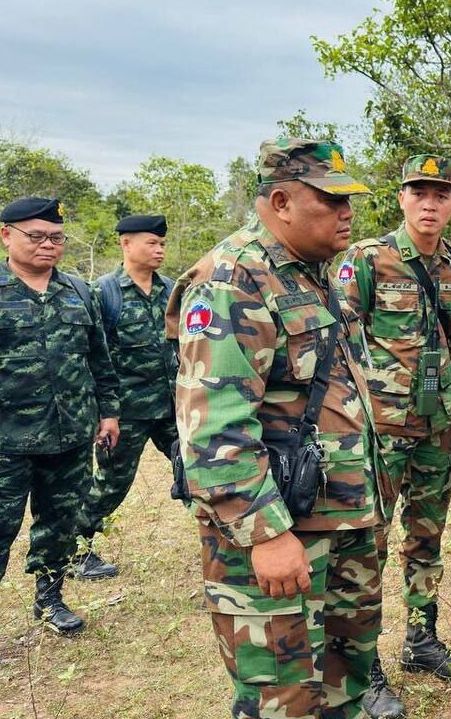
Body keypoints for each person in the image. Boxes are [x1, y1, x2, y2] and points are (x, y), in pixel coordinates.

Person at [168, 137, 399, 719]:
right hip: (280, 530)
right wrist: (266, 536)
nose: (347, 212)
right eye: (331, 200)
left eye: (349, 200)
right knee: (282, 697)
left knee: (346, 682)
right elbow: (213, 428)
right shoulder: (233, 279)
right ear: (281, 202)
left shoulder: (315, 273)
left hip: (342, 522)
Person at [339, 154, 451, 694]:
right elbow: (341, 340)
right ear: (401, 198)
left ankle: (422, 639)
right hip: (381, 426)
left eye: (441, 194)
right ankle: (363, 660)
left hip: (437, 421)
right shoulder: (368, 258)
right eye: (419, 192)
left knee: (426, 535)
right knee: (368, 543)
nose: (429, 204)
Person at [0, 196, 120, 640]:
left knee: (60, 523)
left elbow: (99, 358)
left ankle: (49, 599)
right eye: (36, 236)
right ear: (6, 235)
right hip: (5, 442)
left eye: (57, 237)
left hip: (70, 434)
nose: (48, 244)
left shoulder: (79, 292)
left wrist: (109, 413)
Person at [72, 214, 178, 580]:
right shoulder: (104, 293)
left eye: (162, 244)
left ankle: (223, 540)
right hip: (126, 412)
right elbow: (92, 355)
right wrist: (104, 412)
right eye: (152, 243)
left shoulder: (171, 289)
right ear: (126, 243)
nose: (159, 249)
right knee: (111, 484)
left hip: (171, 407)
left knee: (197, 470)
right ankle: (75, 549)